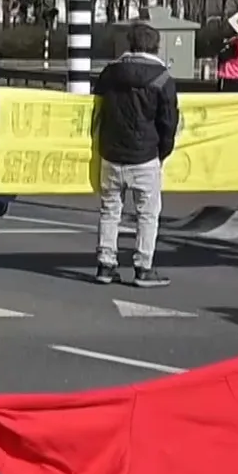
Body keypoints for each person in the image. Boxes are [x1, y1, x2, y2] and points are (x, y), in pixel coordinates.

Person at [90, 22, 179, 287]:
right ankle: (143, 267)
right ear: (156, 45)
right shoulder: (163, 79)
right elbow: (169, 122)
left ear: (130, 44)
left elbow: (97, 109)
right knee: (147, 214)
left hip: (111, 152)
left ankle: (105, 264)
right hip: (145, 156)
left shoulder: (110, 73)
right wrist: (161, 152)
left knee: (110, 210)